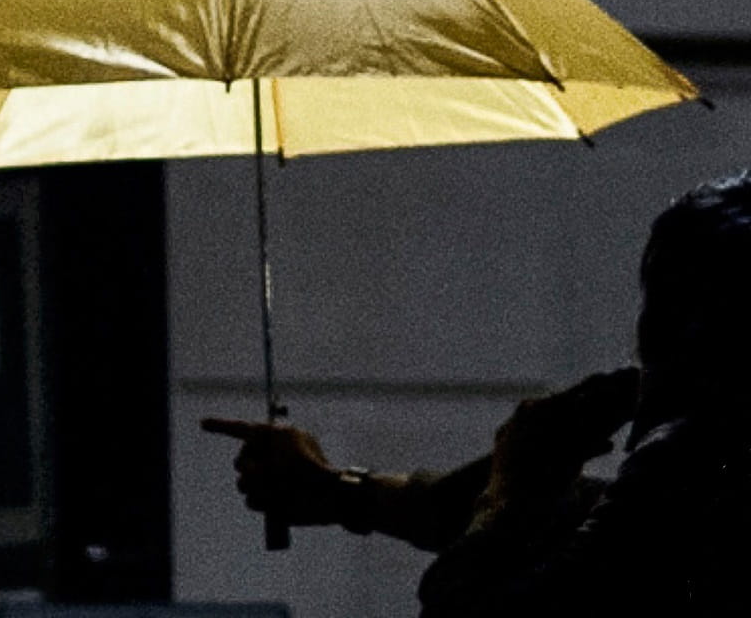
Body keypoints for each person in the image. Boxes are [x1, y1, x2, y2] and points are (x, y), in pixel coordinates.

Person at [203, 170, 751, 616]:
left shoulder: (688, 465)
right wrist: (337, 491)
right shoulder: (696, 467)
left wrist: (514, 497)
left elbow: (472, 600)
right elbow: (571, 515)